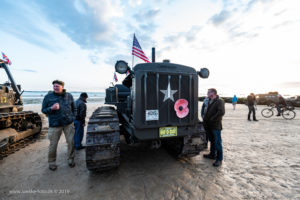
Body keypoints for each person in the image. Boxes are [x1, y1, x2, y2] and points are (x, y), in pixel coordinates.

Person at [42, 80, 76, 171]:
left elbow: (74, 108)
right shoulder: (48, 97)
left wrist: (73, 117)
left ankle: (70, 159)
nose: (55, 87)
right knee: (53, 145)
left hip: (68, 124)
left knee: (71, 143)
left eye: (57, 86)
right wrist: (51, 108)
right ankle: (52, 163)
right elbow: (43, 110)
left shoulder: (69, 96)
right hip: (54, 125)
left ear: (62, 87)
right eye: (54, 86)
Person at [203, 88, 225, 167]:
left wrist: (212, 119)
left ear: (213, 93)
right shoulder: (209, 100)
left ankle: (219, 159)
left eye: (208, 92)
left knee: (218, 142)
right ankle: (212, 154)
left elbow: (221, 112)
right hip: (209, 125)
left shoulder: (220, 101)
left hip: (215, 126)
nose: (207, 93)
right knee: (212, 140)